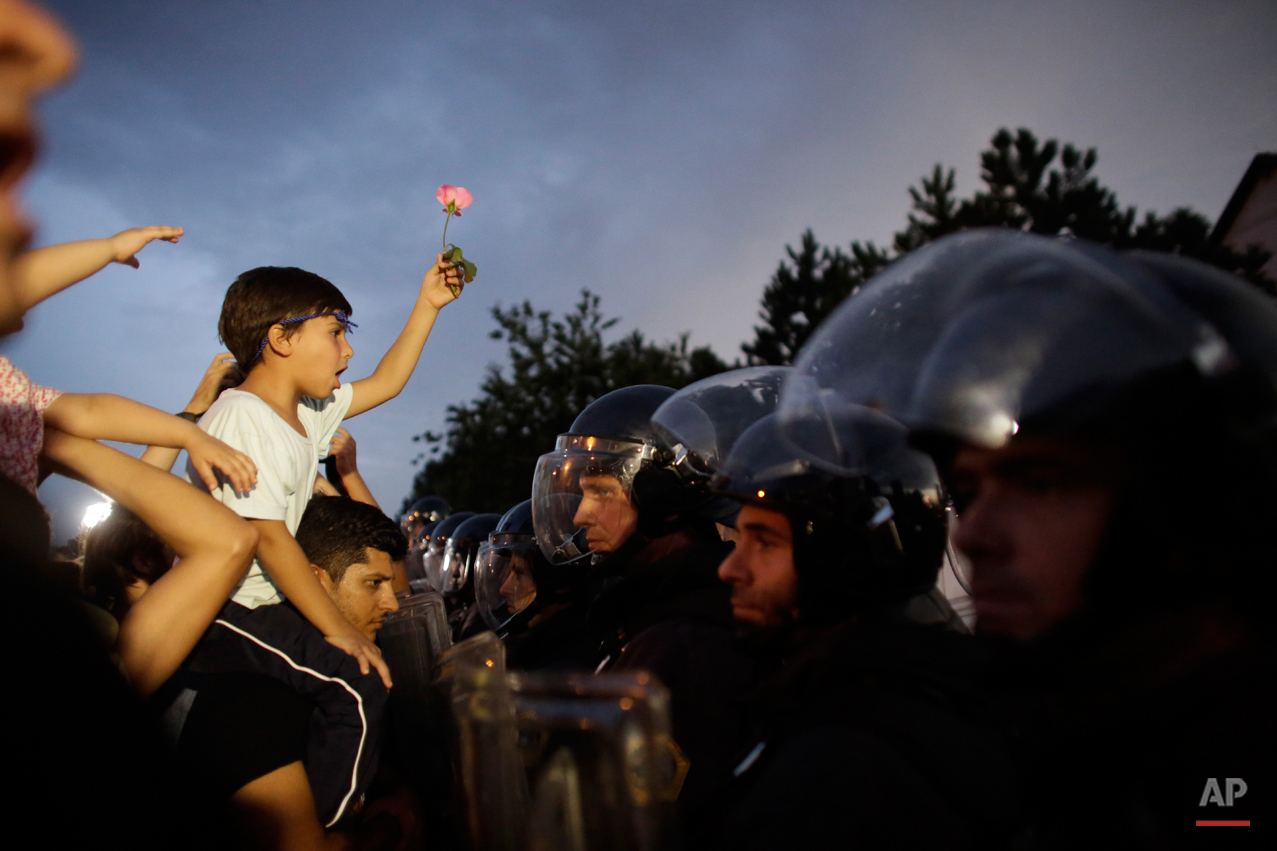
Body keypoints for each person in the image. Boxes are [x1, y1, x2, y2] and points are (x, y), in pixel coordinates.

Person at [780, 228, 1277, 844]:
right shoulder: (1085, 737)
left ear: (1190, 501)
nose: (973, 536)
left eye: (1039, 482)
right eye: (971, 489)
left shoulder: (1227, 783)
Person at [182, 257, 462, 828]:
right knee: (356, 679)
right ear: (281, 338)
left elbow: (387, 382)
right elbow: (267, 536)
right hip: (229, 607)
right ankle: (334, 826)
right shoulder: (240, 415)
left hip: (266, 604)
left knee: (364, 674)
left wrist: (427, 306)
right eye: (335, 332)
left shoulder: (303, 417)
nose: (348, 351)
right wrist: (335, 630)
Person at [693, 407, 1012, 849]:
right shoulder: (884, 691)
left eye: (765, 543)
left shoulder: (836, 774)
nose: (730, 568)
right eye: (738, 538)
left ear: (845, 561)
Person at [530, 383, 760, 814]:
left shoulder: (695, 643)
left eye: (601, 492)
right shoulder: (646, 615)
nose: (579, 514)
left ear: (666, 499)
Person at [177, 496, 411, 850]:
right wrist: (392, 827)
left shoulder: (323, 672)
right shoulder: (254, 699)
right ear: (314, 578)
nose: (391, 602)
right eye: (373, 583)